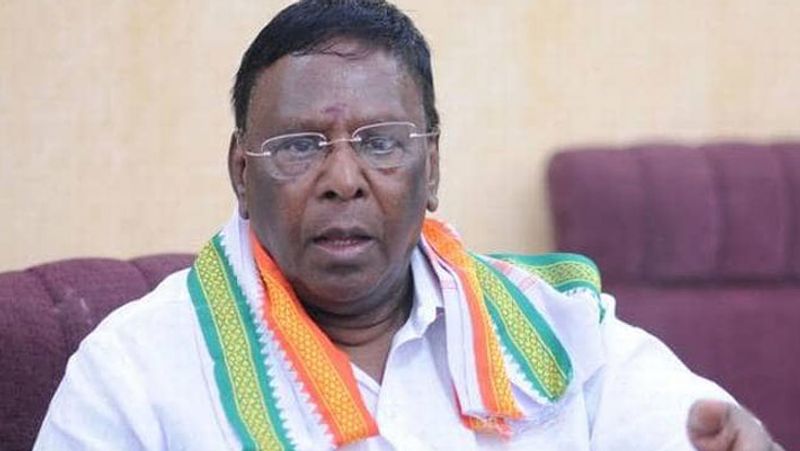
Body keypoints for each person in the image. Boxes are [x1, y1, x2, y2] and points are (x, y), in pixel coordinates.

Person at [35, 1, 783, 450]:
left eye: (381, 142)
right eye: (299, 146)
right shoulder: (133, 376)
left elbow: (697, 431)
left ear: (433, 166)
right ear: (240, 172)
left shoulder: (560, 326)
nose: (343, 177)